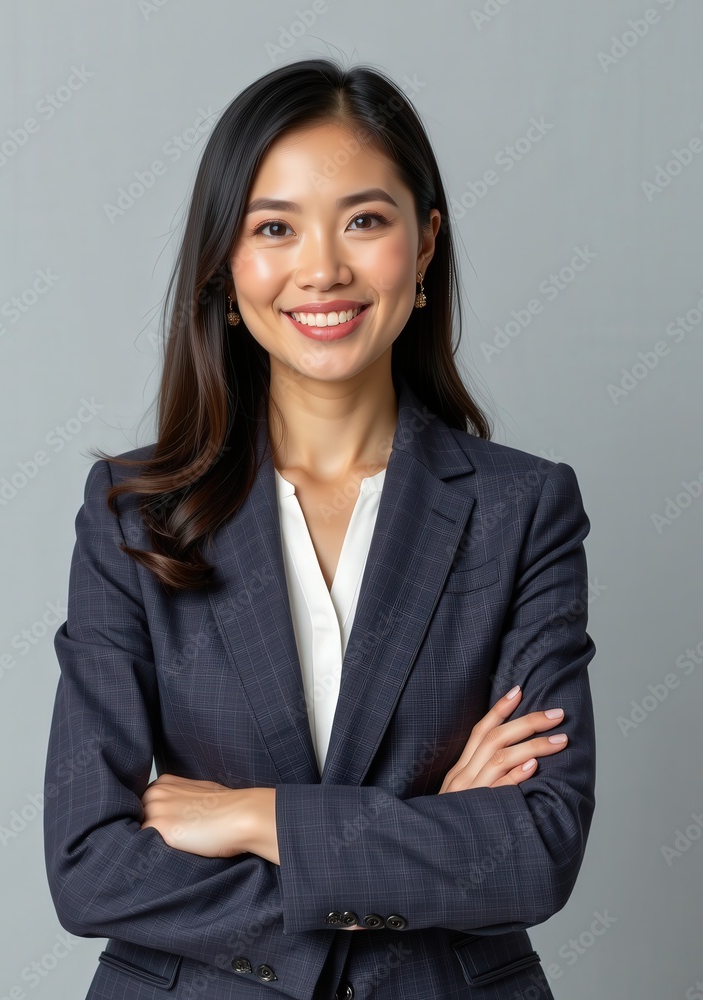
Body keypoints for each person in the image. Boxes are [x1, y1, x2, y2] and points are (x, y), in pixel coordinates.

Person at [43, 57, 596, 1000]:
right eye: (274, 228)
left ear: (424, 246)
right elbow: (90, 862)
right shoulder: (133, 516)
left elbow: (534, 850)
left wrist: (255, 817)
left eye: (365, 221)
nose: (323, 268)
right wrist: (414, 836)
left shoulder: (523, 509)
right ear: (226, 264)